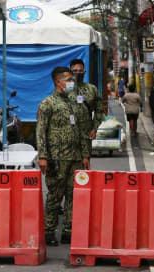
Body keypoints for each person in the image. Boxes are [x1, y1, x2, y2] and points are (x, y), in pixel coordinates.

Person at [36, 67, 90, 246]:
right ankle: (49, 231)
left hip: (74, 157)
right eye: (68, 79)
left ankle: (69, 230)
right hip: (56, 158)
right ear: (58, 82)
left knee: (73, 195)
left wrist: (85, 154)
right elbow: (41, 131)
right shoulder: (47, 104)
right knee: (55, 196)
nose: (72, 82)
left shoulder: (73, 103)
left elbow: (81, 130)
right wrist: (43, 156)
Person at [68, 59, 104, 148]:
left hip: (86, 133)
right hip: (67, 133)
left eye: (80, 70)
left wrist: (94, 128)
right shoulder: (64, 88)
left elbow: (99, 110)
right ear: (70, 72)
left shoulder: (92, 89)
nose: (78, 73)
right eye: (75, 71)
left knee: (85, 160)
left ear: (84, 72)